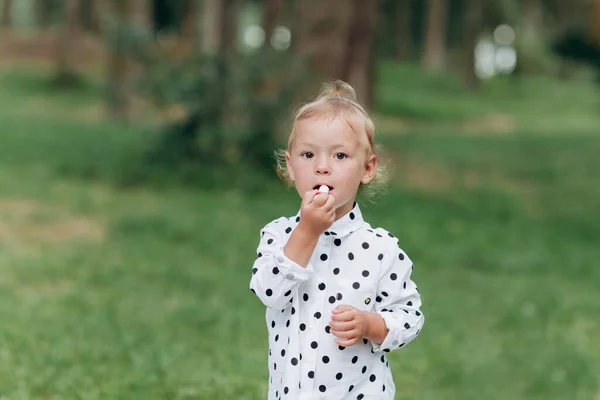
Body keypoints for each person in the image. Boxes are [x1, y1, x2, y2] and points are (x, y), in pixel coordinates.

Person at [250, 80, 424, 400]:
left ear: (367, 168)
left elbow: (410, 317)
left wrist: (371, 325)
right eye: (307, 154)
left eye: (340, 155)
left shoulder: (382, 250)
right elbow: (270, 293)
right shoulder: (278, 235)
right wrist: (307, 232)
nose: (322, 167)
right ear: (290, 166)